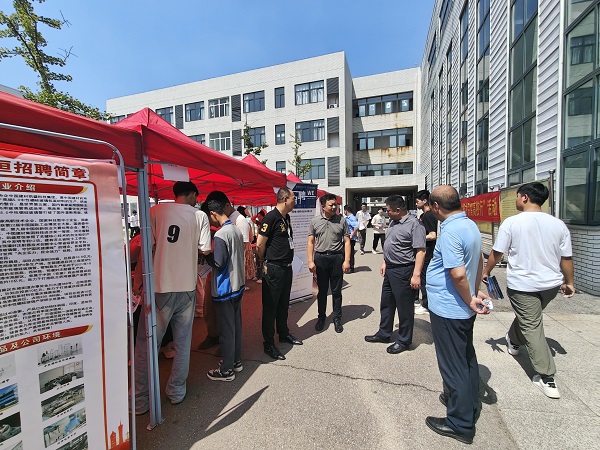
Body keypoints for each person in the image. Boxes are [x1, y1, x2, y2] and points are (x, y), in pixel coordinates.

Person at [483, 182, 575, 399]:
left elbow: (497, 252)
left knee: (531, 324)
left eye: (517, 196)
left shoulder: (512, 222)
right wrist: (569, 282)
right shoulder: (558, 225)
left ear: (524, 197)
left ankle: (546, 376)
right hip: (551, 285)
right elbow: (566, 257)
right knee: (530, 318)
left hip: (522, 285)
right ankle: (514, 340)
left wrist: (486, 272)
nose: (516, 200)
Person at [134, 181, 211, 413]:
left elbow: (145, 249)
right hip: (187, 287)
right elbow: (205, 249)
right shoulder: (199, 216)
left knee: (147, 344)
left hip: (159, 287)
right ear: (193, 195)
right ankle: (176, 391)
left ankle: (139, 400)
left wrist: (137, 280)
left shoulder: (155, 211)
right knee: (182, 343)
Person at [424, 185, 491, 445]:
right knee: (465, 358)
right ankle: (466, 402)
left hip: (450, 308)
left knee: (453, 365)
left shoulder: (450, 231)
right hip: (460, 307)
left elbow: (458, 273)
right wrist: (474, 291)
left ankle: (460, 423)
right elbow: (478, 260)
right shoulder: (470, 225)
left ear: (436, 207)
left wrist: (469, 297)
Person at [364, 195, 426, 354]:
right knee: (387, 303)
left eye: (389, 210)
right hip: (390, 269)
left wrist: (416, 275)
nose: (387, 213)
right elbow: (390, 243)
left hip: (404, 270)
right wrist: (385, 261)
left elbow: (420, 250)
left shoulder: (414, 225)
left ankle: (404, 340)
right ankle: (384, 333)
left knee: (404, 308)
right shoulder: (393, 221)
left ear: (398, 210)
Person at [256, 187, 303, 361]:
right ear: (284, 199)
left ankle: (283, 333)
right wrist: (265, 261)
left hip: (287, 267)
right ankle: (268, 343)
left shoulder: (286, 217)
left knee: (283, 304)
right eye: (293, 198)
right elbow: (260, 244)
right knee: (271, 307)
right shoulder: (271, 217)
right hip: (274, 268)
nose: (295, 201)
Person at [204, 196, 246, 381]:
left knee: (227, 330)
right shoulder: (235, 229)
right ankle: (235, 361)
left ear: (213, 213)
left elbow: (218, 262)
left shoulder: (221, 234)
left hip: (225, 288)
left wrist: (206, 255)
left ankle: (226, 370)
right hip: (238, 285)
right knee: (235, 326)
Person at [307, 193, 351, 333]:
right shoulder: (315, 221)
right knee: (322, 291)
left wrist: (347, 261)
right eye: (331, 205)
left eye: (335, 204)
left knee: (337, 291)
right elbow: (311, 242)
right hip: (321, 259)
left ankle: (337, 318)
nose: (334, 207)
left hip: (337, 258)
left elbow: (347, 241)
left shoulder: (341, 221)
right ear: (323, 206)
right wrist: (310, 261)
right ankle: (321, 317)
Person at [415, 189, 438, 315]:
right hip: (425, 251)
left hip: (428, 253)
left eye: (417, 201)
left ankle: (427, 305)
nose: (416, 204)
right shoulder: (424, 215)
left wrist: (418, 238)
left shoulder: (429, 215)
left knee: (425, 279)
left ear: (425, 201)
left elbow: (433, 235)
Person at [230, 205, 254, 288]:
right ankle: (242, 283)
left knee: (243, 265)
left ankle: (241, 283)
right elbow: (250, 237)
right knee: (245, 265)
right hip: (247, 245)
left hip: (243, 245)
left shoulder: (237, 220)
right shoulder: (245, 222)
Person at [343, 205, 359, 273]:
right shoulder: (347, 218)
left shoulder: (352, 217)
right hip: (347, 238)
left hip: (350, 239)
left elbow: (356, 227)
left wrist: (352, 235)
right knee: (345, 253)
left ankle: (351, 268)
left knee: (350, 253)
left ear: (346, 211)